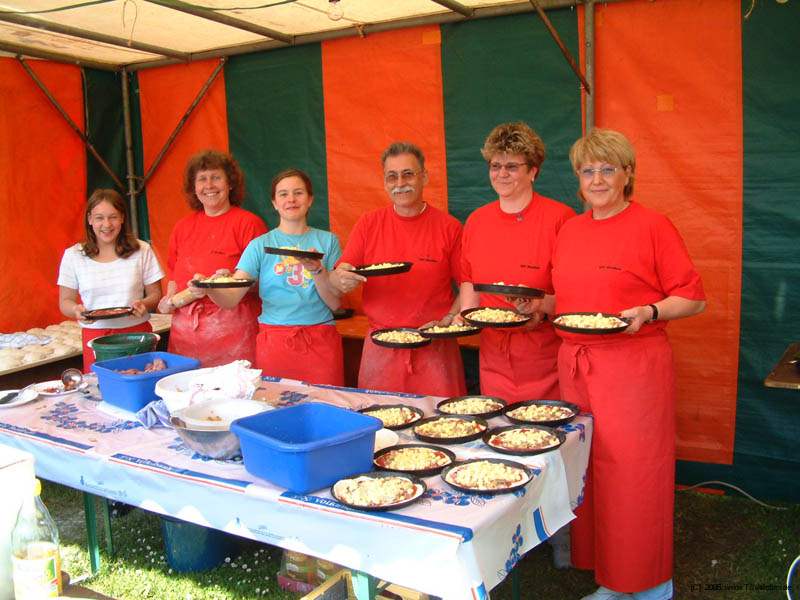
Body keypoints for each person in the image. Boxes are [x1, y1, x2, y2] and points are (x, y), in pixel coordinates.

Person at [541, 129, 706, 600]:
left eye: (607, 169)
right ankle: (612, 579)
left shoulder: (653, 226)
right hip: (577, 366)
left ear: (627, 174)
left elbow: (693, 298)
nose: (597, 179)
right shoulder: (570, 230)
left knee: (634, 473)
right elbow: (570, 299)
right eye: (587, 170)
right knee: (589, 468)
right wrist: (538, 307)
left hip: (634, 368)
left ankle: (650, 584)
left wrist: (649, 311)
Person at [328, 142, 466, 397]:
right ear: (384, 182)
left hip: (435, 347)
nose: (400, 183)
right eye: (392, 176)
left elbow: (467, 285)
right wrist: (339, 277)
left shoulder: (450, 227)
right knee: (380, 420)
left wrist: (449, 318)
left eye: (408, 174)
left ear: (425, 177)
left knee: (442, 419)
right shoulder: (368, 223)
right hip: (381, 350)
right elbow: (341, 273)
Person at [458, 122, 575, 404]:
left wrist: (540, 306)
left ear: (533, 171)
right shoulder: (477, 221)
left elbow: (578, 295)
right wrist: (463, 316)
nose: (501, 174)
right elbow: (469, 280)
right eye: (495, 165)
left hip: (546, 356)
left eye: (512, 166)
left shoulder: (561, 219)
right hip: (493, 357)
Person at [203, 169, 345, 385]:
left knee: (326, 402)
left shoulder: (328, 241)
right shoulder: (260, 245)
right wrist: (209, 288)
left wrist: (317, 271)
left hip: (321, 339)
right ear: (274, 203)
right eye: (283, 194)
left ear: (310, 199)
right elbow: (231, 299)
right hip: (275, 342)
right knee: (277, 402)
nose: (291, 199)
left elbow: (335, 303)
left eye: (298, 193)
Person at [157, 150, 267, 367]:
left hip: (234, 333)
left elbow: (264, 282)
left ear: (230, 184)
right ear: (193, 187)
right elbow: (174, 277)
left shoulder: (249, 224)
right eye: (202, 179)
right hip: (185, 335)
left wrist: (221, 287)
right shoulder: (182, 227)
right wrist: (169, 300)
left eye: (216, 177)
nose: (209, 185)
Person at [58, 189, 164, 371]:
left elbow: (156, 294)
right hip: (96, 338)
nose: (106, 224)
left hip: (136, 335)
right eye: (99, 218)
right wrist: (76, 310)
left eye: (113, 217)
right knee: (100, 385)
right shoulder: (73, 255)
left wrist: (144, 304)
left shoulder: (141, 250)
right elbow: (65, 301)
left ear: (122, 218)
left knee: (139, 381)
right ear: (89, 219)